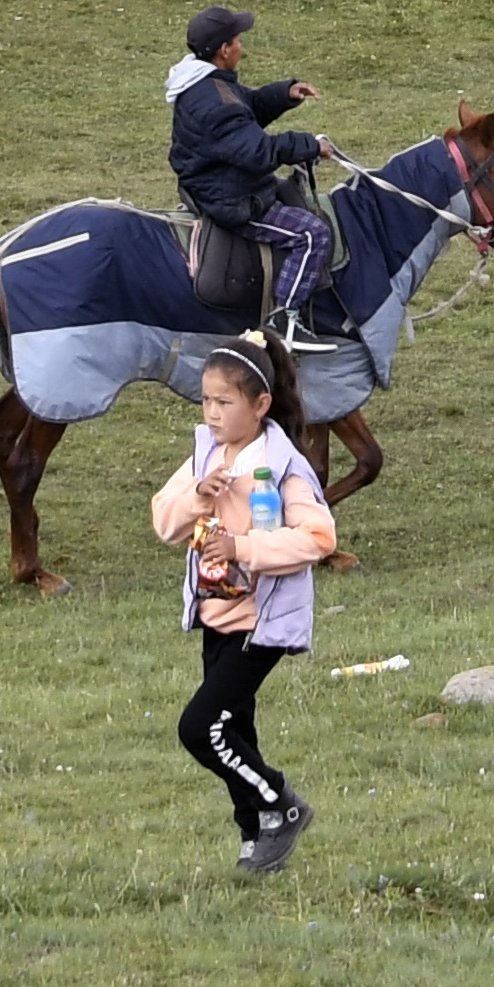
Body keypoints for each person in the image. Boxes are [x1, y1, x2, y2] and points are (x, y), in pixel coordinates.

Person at [152, 340, 337, 874]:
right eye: (206, 401)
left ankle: (281, 802)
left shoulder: (283, 467)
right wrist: (197, 495)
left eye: (224, 402)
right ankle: (256, 836)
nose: (212, 413)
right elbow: (164, 522)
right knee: (234, 729)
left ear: (260, 406)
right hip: (217, 615)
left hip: (261, 624)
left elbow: (319, 538)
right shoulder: (205, 456)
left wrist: (242, 548)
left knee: (200, 728)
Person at [173, 1, 335, 336]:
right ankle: (284, 319)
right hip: (230, 200)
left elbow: (246, 111)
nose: (241, 47)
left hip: (212, 180)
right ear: (224, 49)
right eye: (237, 41)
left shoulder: (203, 83)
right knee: (312, 234)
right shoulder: (216, 102)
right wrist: (310, 145)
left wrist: (284, 94)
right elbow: (258, 152)